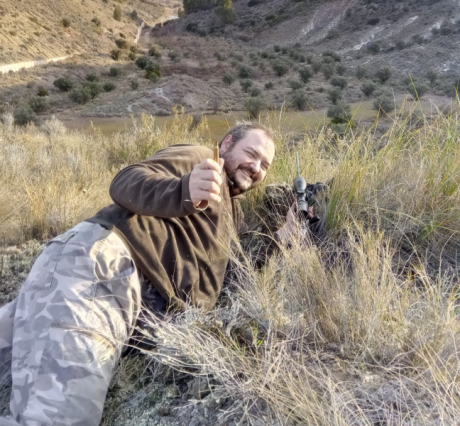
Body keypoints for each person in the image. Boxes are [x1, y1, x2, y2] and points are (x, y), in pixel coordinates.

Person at [0, 122, 277, 426]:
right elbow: (126, 181)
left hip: (99, 293)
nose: (256, 167)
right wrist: (184, 189)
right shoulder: (201, 160)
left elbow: (230, 280)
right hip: (103, 275)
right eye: (251, 153)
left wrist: (283, 241)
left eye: (265, 165)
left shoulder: (232, 213)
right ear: (226, 144)